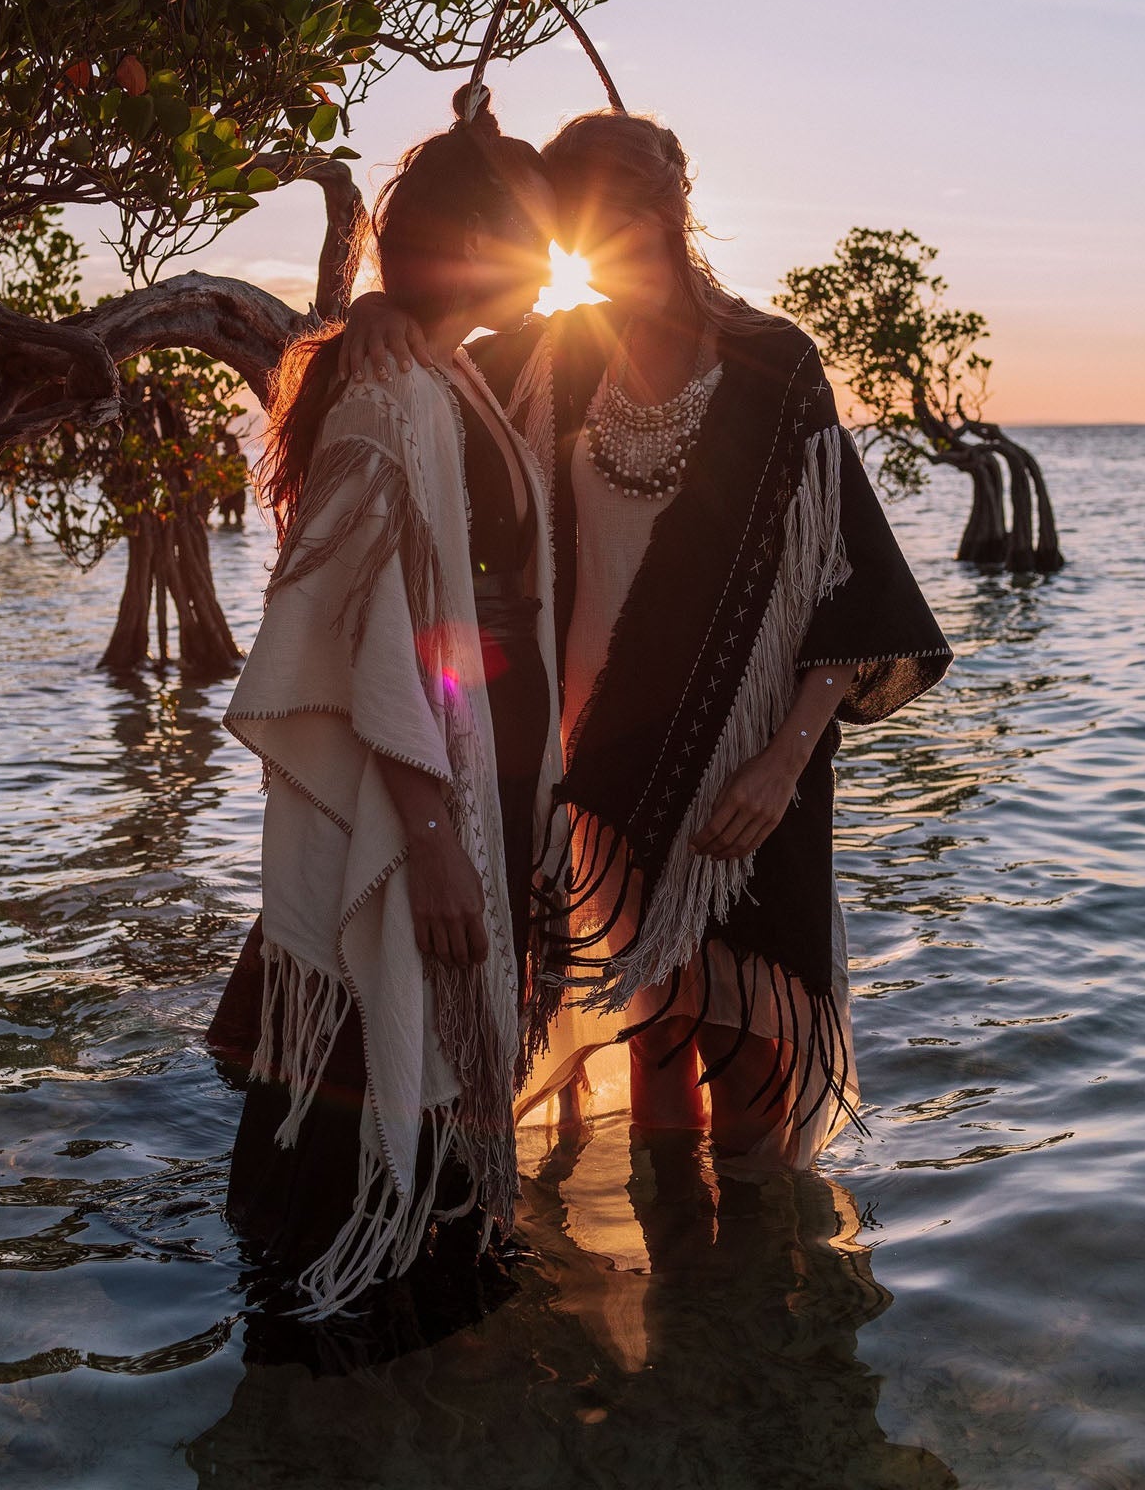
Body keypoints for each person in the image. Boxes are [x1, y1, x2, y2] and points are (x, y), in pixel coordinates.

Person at [340, 105, 953, 1164]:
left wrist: (782, 758)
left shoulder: (773, 364)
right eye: (575, 218)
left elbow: (857, 588)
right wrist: (373, 314)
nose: (598, 235)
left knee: (757, 1098)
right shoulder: (552, 352)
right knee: (662, 1106)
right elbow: (436, 344)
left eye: (619, 208)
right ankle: (680, 1319)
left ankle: (757, 1322)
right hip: (608, 782)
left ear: (671, 208)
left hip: (755, 782)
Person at [217, 89, 570, 1327]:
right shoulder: (389, 393)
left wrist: (373, 305)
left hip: (482, 763)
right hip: (419, 781)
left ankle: (408, 1273)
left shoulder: (452, 370)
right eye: (535, 234)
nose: (553, 261)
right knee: (383, 1009)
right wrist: (428, 839)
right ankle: (350, 1298)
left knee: (429, 1019)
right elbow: (360, 631)